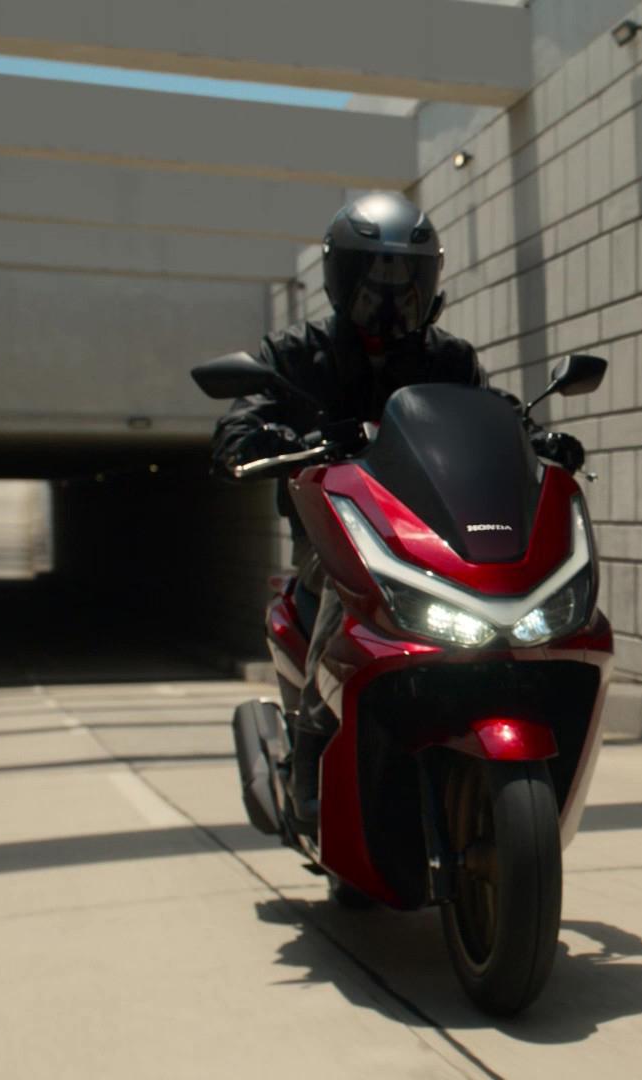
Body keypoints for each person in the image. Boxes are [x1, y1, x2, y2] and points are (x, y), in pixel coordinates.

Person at [210, 191, 579, 830]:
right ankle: (310, 761)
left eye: (406, 280)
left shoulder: (450, 359)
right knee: (341, 590)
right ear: (341, 279)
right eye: (374, 280)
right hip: (336, 529)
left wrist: (538, 439)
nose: (389, 296)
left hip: (432, 535)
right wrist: (258, 440)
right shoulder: (296, 353)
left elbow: (495, 417)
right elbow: (240, 421)